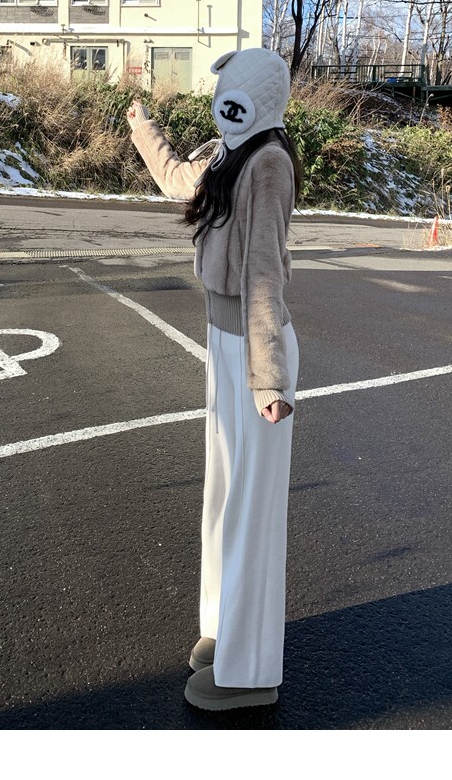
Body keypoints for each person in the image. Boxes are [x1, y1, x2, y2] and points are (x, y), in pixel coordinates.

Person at [127, 47, 302, 712]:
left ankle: (250, 671)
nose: (224, 103)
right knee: (224, 497)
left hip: (256, 354)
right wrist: (144, 129)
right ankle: (223, 628)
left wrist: (269, 379)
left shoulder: (268, 162)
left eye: (234, 93)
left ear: (255, 99)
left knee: (253, 512)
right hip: (224, 343)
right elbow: (180, 182)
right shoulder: (230, 151)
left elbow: (264, 275)